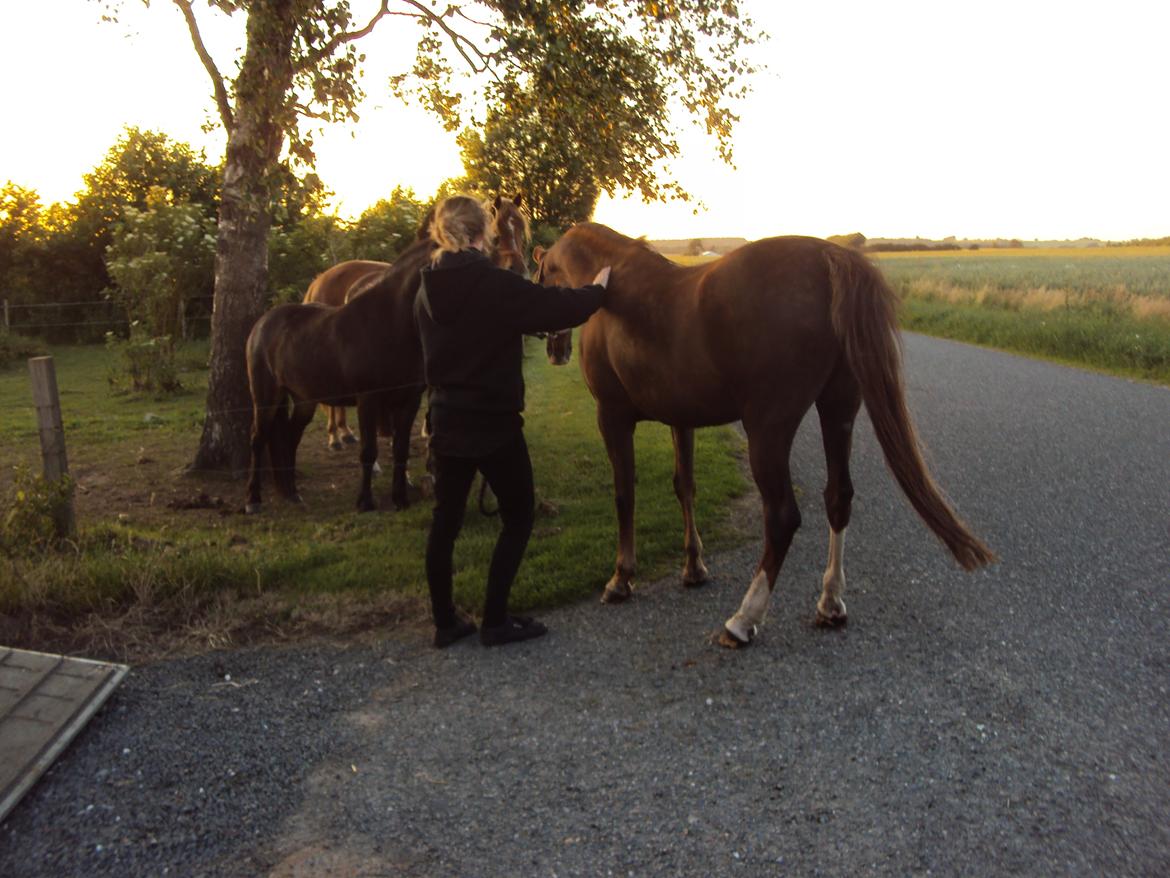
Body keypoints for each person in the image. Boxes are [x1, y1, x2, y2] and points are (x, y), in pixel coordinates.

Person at [414, 195, 611, 648]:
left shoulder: (425, 288)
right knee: (519, 516)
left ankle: (446, 623)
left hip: (445, 419)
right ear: (484, 233)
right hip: (493, 423)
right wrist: (598, 290)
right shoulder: (493, 283)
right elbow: (555, 306)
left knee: (445, 522)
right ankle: (496, 620)